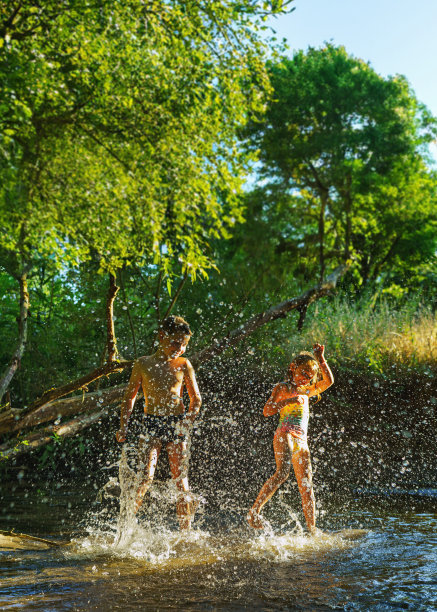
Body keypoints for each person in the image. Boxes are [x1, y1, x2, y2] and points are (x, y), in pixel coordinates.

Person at [116, 315, 202, 530]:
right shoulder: (143, 363)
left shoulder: (184, 364)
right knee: (145, 477)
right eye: (175, 342)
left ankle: (186, 531)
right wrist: (123, 426)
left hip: (176, 423)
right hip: (150, 423)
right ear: (162, 337)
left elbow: (196, 399)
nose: (179, 348)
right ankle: (126, 526)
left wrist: (187, 422)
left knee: (181, 481)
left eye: (184, 344)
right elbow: (130, 397)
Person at [247, 343, 334, 534]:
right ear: (293, 368)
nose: (306, 378)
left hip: (302, 441)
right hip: (284, 433)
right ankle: (254, 511)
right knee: (283, 473)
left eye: (310, 376)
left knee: (307, 486)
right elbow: (267, 411)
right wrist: (286, 401)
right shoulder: (283, 387)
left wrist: (320, 358)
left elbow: (328, 382)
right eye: (303, 373)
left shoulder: (307, 391)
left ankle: (312, 530)